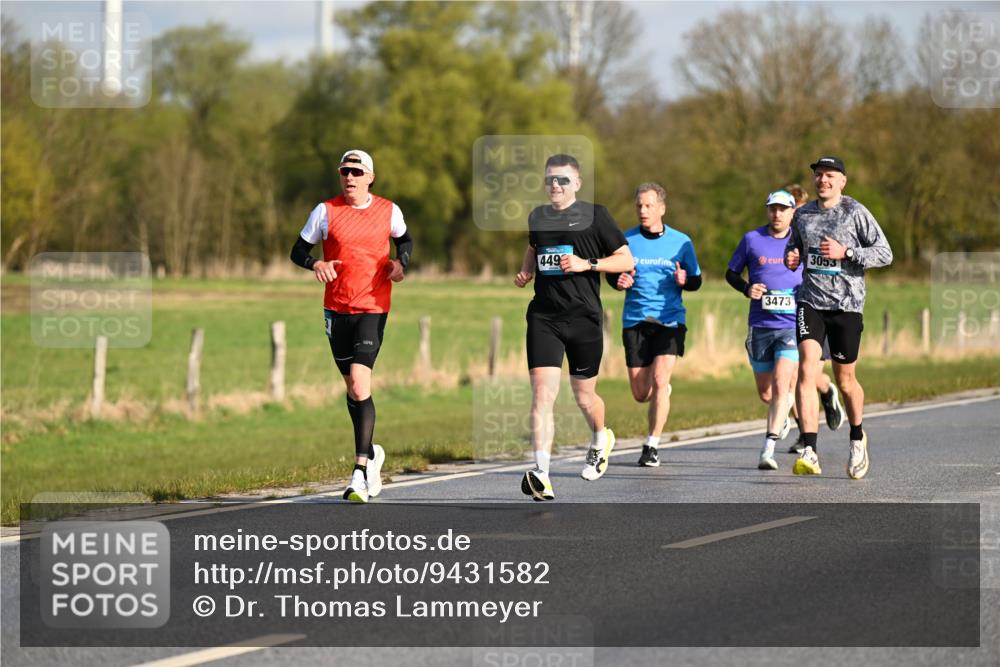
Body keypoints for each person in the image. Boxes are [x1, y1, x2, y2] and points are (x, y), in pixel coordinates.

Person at [290, 149, 413, 503]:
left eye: (357, 172)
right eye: (345, 171)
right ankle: (373, 453)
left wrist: (400, 262)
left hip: (373, 307)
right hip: (336, 309)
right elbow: (297, 250)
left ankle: (359, 471)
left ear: (370, 177)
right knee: (352, 387)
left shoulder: (388, 210)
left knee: (361, 384)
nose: (350, 177)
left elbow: (405, 240)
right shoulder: (325, 211)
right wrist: (315, 264)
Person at [514, 154, 634, 500]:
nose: (556, 185)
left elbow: (626, 259)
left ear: (577, 184)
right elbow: (534, 246)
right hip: (544, 317)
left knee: (584, 397)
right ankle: (542, 473)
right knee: (542, 394)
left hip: (584, 318)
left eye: (563, 180)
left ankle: (601, 437)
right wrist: (527, 271)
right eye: (551, 179)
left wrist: (588, 264)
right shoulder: (537, 216)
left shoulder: (596, 216)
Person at [784, 156, 893, 479]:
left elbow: (884, 252)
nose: (823, 180)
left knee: (845, 380)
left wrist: (848, 253)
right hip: (810, 301)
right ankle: (810, 449)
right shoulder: (802, 215)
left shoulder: (854, 212)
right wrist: (793, 257)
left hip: (846, 304)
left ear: (842, 181)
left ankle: (858, 437)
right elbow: (796, 249)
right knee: (806, 369)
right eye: (818, 175)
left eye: (830, 175)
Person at [607, 182, 702, 468]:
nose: (643, 211)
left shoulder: (681, 241)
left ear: (662, 208)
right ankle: (661, 394)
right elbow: (613, 275)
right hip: (635, 320)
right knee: (640, 394)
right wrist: (618, 281)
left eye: (648, 205)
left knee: (661, 380)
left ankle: (652, 445)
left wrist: (687, 281)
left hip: (669, 320)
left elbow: (696, 279)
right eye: (639, 206)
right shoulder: (625, 240)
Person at [726, 190, 801, 469]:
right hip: (760, 326)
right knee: (766, 394)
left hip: (791, 325)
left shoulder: (801, 242)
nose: (777, 214)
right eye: (773, 209)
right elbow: (731, 273)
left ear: (793, 212)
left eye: (783, 209)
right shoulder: (752, 240)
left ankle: (767, 449)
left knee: (782, 383)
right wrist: (748, 288)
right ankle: (780, 415)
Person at [784, 185, 845, 454]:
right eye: (788, 209)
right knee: (795, 376)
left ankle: (827, 389)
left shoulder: (821, 227)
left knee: (804, 373)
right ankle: (804, 431)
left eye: (796, 208)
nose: (793, 214)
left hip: (818, 306)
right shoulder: (780, 236)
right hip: (786, 310)